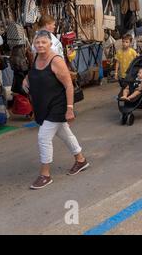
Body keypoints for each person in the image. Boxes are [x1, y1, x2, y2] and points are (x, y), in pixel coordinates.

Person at [22, 30, 89, 190]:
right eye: (37, 42)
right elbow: (36, 73)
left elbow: (68, 85)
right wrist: (27, 79)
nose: (40, 45)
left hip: (57, 105)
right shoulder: (37, 57)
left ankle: (45, 174)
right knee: (65, 134)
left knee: (43, 137)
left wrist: (70, 108)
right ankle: (81, 160)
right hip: (43, 105)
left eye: (43, 42)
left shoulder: (56, 60)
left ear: (50, 44)